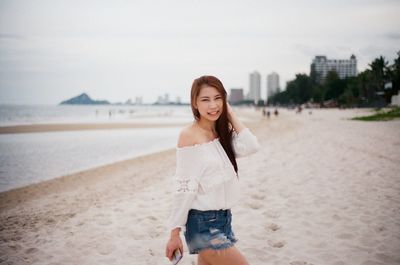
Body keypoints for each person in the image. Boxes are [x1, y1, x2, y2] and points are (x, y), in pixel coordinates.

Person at [165, 75, 260, 265]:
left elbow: (251, 146)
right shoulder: (188, 135)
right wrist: (174, 234)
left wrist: (230, 114)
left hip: (224, 220)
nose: (213, 105)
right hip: (203, 225)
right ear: (194, 103)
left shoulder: (222, 134)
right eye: (205, 100)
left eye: (218, 98)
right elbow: (184, 188)